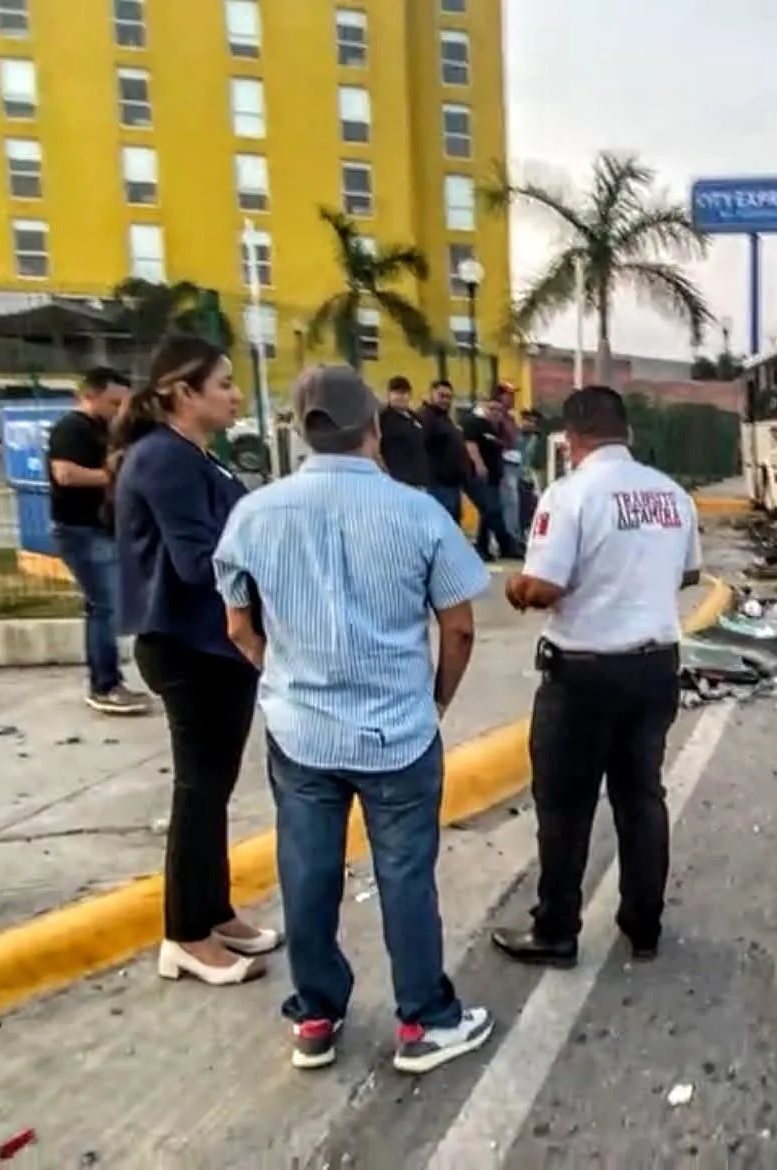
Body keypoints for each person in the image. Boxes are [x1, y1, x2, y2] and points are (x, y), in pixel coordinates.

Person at [214, 364, 495, 1075]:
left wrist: (279, 675)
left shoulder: (255, 514)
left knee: (307, 873)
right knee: (406, 876)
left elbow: (238, 625)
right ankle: (424, 1021)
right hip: (398, 731)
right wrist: (436, 702)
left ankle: (315, 1015)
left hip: (301, 732)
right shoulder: (419, 514)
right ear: (373, 427)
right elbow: (459, 628)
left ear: (298, 429)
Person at [490, 386, 701, 968]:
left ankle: (556, 931)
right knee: (642, 799)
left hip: (582, 677)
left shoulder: (569, 494)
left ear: (571, 439)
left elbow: (544, 587)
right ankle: (644, 925)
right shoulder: (672, 494)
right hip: (654, 669)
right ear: (626, 432)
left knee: (565, 808)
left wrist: (516, 587)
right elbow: (689, 573)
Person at [111, 334, 280, 986]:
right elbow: (198, 561)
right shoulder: (164, 459)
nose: (236, 395)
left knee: (214, 790)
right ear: (183, 392)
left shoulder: (197, 457)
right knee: (198, 792)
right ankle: (184, 934)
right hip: (189, 645)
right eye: (224, 384)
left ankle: (214, 912)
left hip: (216, 644)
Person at [47, 366, 149, 714]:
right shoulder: (71, 428)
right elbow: (65, 474)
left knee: (102, 606)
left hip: (100, 529)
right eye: (113, 402)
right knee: (106, 606)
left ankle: (106, 681)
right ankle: (105, 685)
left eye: (123, 403)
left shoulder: (104, 429)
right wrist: (111, 475)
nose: (119, 410)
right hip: (81, 531)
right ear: (90, 395)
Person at [460, 392, 523, 562]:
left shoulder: (495, 427)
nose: (496, 413)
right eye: (492, 408)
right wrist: (479, 464)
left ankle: (485, 547)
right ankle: (504, 544)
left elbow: (507, 444)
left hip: (495, 477)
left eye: (499, 410)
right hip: (479, 476)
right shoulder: (474, 423)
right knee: (490, 509)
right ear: (485, 407)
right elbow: (470, 444)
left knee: (488, 513)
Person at [418, 380, 469, 520]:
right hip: (437, 484)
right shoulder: (426, 417)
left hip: (452, 485)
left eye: (449, 397)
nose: (445, 400)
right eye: (441, 396)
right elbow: (420, 446)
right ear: (431, 394)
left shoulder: (444, 418)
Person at [378, 375, 430, 488]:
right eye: (397, 393)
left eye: (404, 393)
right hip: (397, 481)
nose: (401, 397)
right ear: (389, 395)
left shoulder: (416, 418)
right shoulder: (383, 419)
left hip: (420, 481)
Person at [492, 385, 524, 538]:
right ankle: (510, 536)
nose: (512, 398)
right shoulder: (496, 417)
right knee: (509, 501)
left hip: (515, 462)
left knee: (515, 501)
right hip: (504, 463)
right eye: (509, 395)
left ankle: (514, 533)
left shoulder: (511, 417)